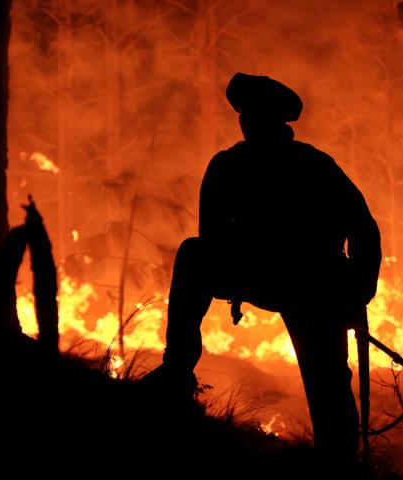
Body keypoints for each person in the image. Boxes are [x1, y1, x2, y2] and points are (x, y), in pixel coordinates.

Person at [144, 72, 381, 466]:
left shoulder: (315, 166)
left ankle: (339, 461)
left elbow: (363, 229)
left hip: (313, 284)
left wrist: (357, 289)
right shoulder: (227, 166)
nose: (247, 121)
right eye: (245, 114)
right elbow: (211, 236)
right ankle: (176, 372)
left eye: (256, 114)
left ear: (277, 120)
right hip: (263, 275)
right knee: (193, 254)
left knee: (328, 383)